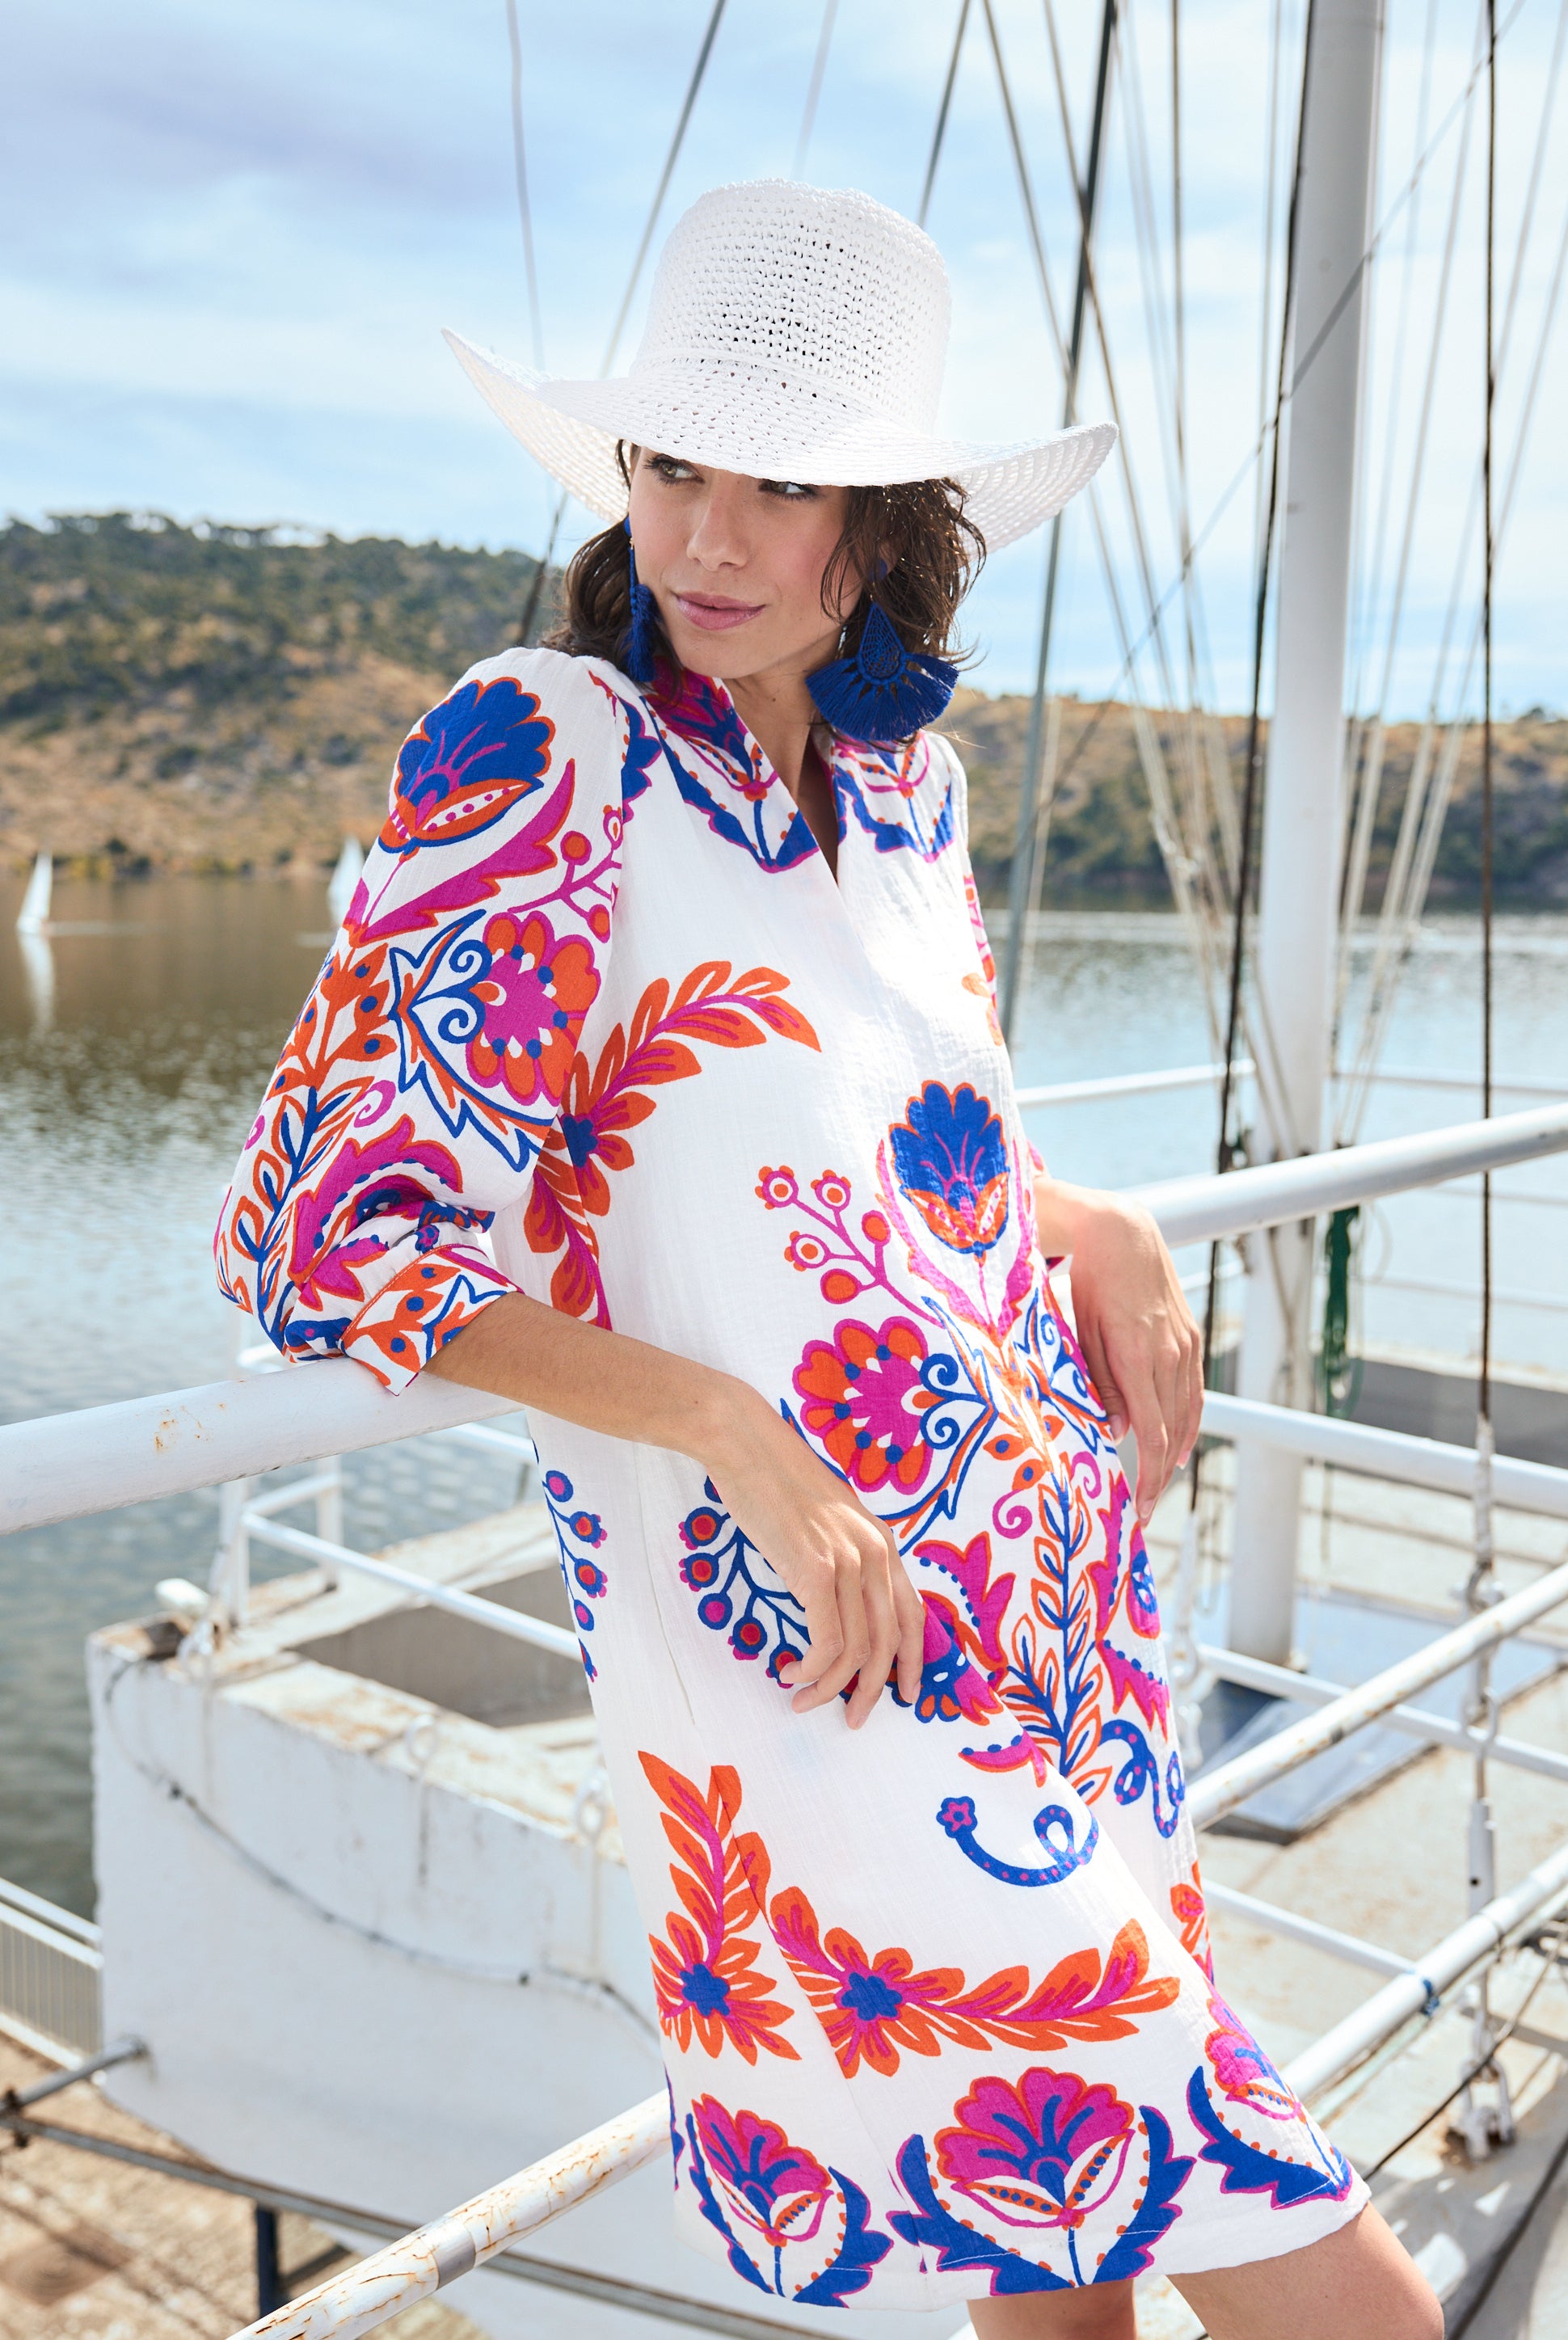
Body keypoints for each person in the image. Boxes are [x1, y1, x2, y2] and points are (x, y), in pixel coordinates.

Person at [217, 181, 1438, 2339]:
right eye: (674, 465)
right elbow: (323, 1233)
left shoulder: (904, 792)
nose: (706, 536)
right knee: (1359, 2314)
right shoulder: (546, 744)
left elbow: (892, 1159)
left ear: (879, 525)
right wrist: (730, 1432)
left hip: (1049, 1611)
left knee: (1062, 2287)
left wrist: (1087, 1214)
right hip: (814, 1657)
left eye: (778, 483)